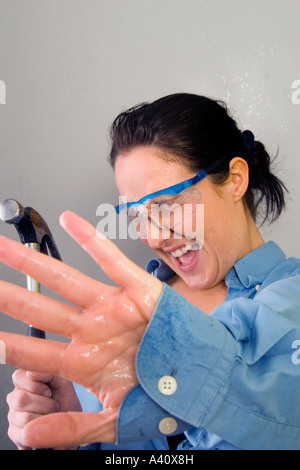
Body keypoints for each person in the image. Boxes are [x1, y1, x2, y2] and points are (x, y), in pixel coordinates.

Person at [1, 93, 300, 450]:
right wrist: (72, 423)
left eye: (166, 205)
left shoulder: (289, 301)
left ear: (235, 179)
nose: (153, 236)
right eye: (137, 215)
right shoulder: (120, 317)